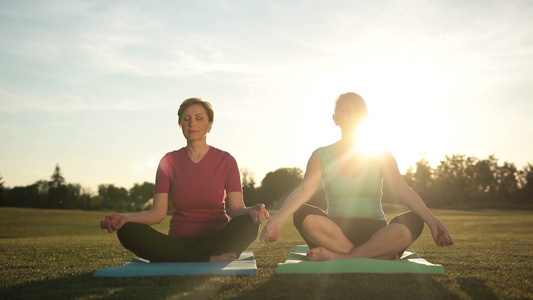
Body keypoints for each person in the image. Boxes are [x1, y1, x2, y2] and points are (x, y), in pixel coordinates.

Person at [259, 92, 454, 261]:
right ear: (335, 118)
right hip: (334, 234)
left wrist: (434, 222)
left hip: (377, 233)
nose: (352, 114)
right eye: (345, 110)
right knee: (302, 213)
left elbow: (403, 190)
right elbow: (304, 190)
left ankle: (342, 257)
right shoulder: (321, 155)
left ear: (366, 117)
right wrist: (277, 220)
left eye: (358, 110)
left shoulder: (381, 154)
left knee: (413, 220)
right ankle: (374, 255)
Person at [101, 98, 269, 262]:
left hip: (217, 241)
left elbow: (236, 209)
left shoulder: (226, 161)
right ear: (180, 125)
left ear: (209, 125)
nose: (192, 123)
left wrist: (251, 210)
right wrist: (126, 218)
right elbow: (157, 213)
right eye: (186, 119)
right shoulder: (169, 161)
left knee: (249, 222)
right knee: (127, 231)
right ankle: (203, 258)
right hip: (179, 242)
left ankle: (189, 257)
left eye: (199, 118)